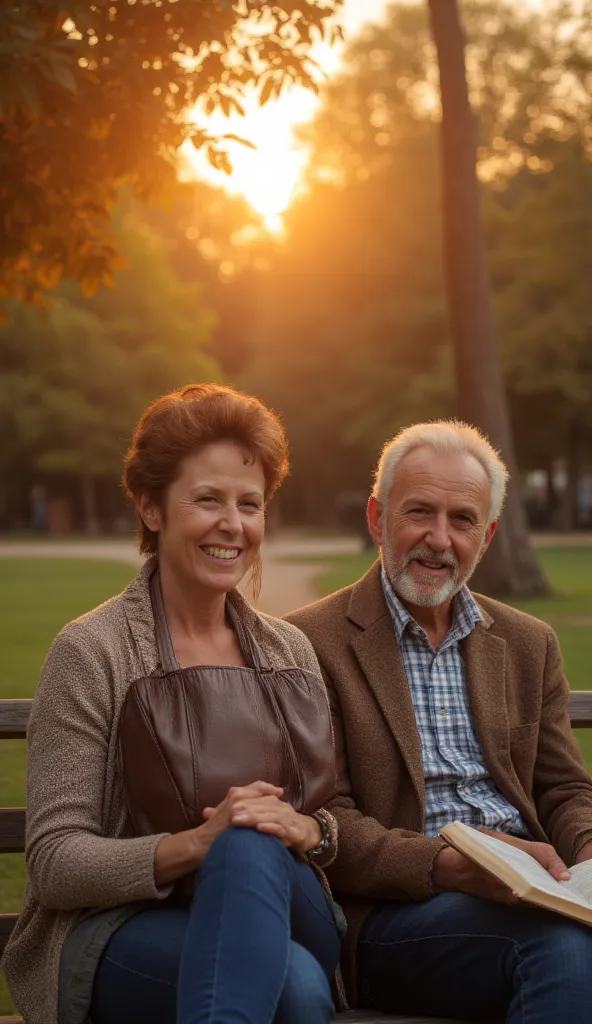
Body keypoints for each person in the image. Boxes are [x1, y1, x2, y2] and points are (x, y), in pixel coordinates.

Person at [3, 384, 341, 1024]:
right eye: (207, 499)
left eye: (250, 504)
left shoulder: (291, 650)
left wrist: (309, 830)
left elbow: (335, 819)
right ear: (150, 508)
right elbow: (53, 862)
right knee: (293, 988)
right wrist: (194, 844)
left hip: (290, 906)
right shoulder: (92, 652)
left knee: (252, 840)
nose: (232, 525)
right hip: (123, 928)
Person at [287, 419, 592, 1024]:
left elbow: (563, 789)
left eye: (463, 520)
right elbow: (324, 824)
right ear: (378, 518)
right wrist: (451, 866)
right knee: (558, 945)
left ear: (489, 535)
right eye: (419, 512)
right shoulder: (306, 643)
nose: (439, 539)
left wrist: (586, 852)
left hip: (536, 892)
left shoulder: (529, 643)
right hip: (396, 917)